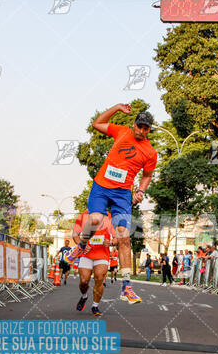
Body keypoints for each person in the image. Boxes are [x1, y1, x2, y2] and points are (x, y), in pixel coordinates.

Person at [65, 103, 157, 305]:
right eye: (139, 126)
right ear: (134, 124)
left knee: (124, 236)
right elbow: (97, 123)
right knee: (96, 218)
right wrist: (116, 108)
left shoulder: (150, 152)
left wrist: (140, 190)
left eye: (146, 128)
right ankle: (81, 246)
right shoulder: (121, 131)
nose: (141, 130)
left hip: (122, 194)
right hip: (101, 187)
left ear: (149, 129)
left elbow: (147, 175)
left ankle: (127, 287)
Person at [73, 209, 116, 317]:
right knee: (83, 281)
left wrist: (110, 242)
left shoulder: (110, 217)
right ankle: (84, 296)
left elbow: (117, 238)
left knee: (99, 277)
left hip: (102, 254)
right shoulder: (83, 215)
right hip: (86, 253)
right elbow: (75, 235)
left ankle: (95, 305)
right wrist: (81, 245)